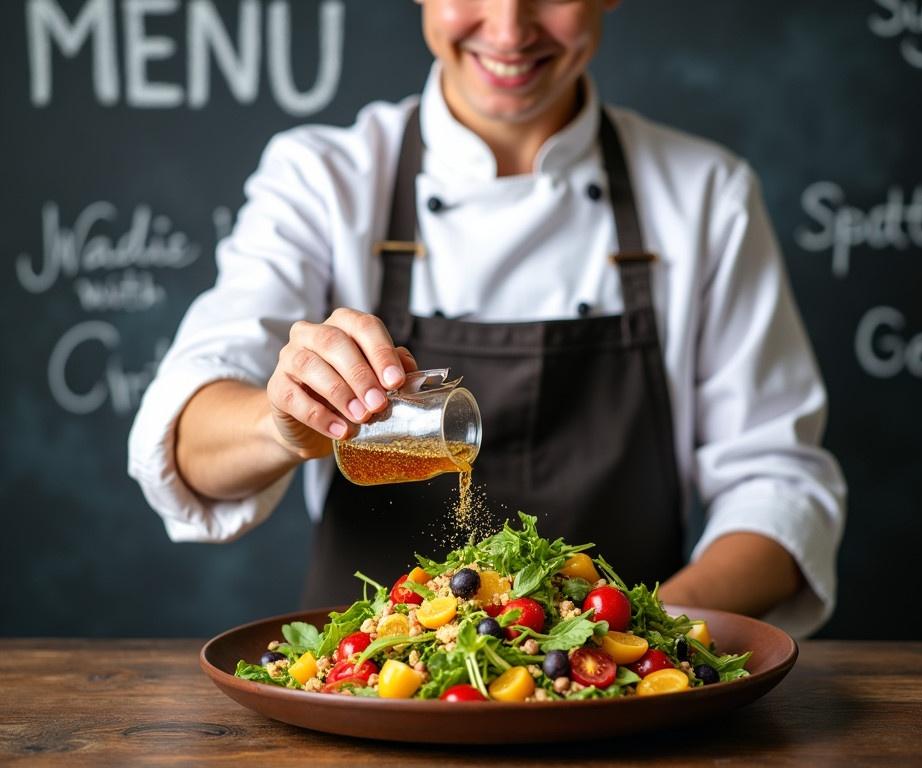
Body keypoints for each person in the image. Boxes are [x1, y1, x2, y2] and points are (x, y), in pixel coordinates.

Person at [129, 0, 845, 638]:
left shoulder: (705, 195)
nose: (507, 28)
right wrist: (279, 422)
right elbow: (188, 441)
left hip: (630, 708)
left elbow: (779, 487)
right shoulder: (323, 178)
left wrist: (637, 636)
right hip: (367, 702)